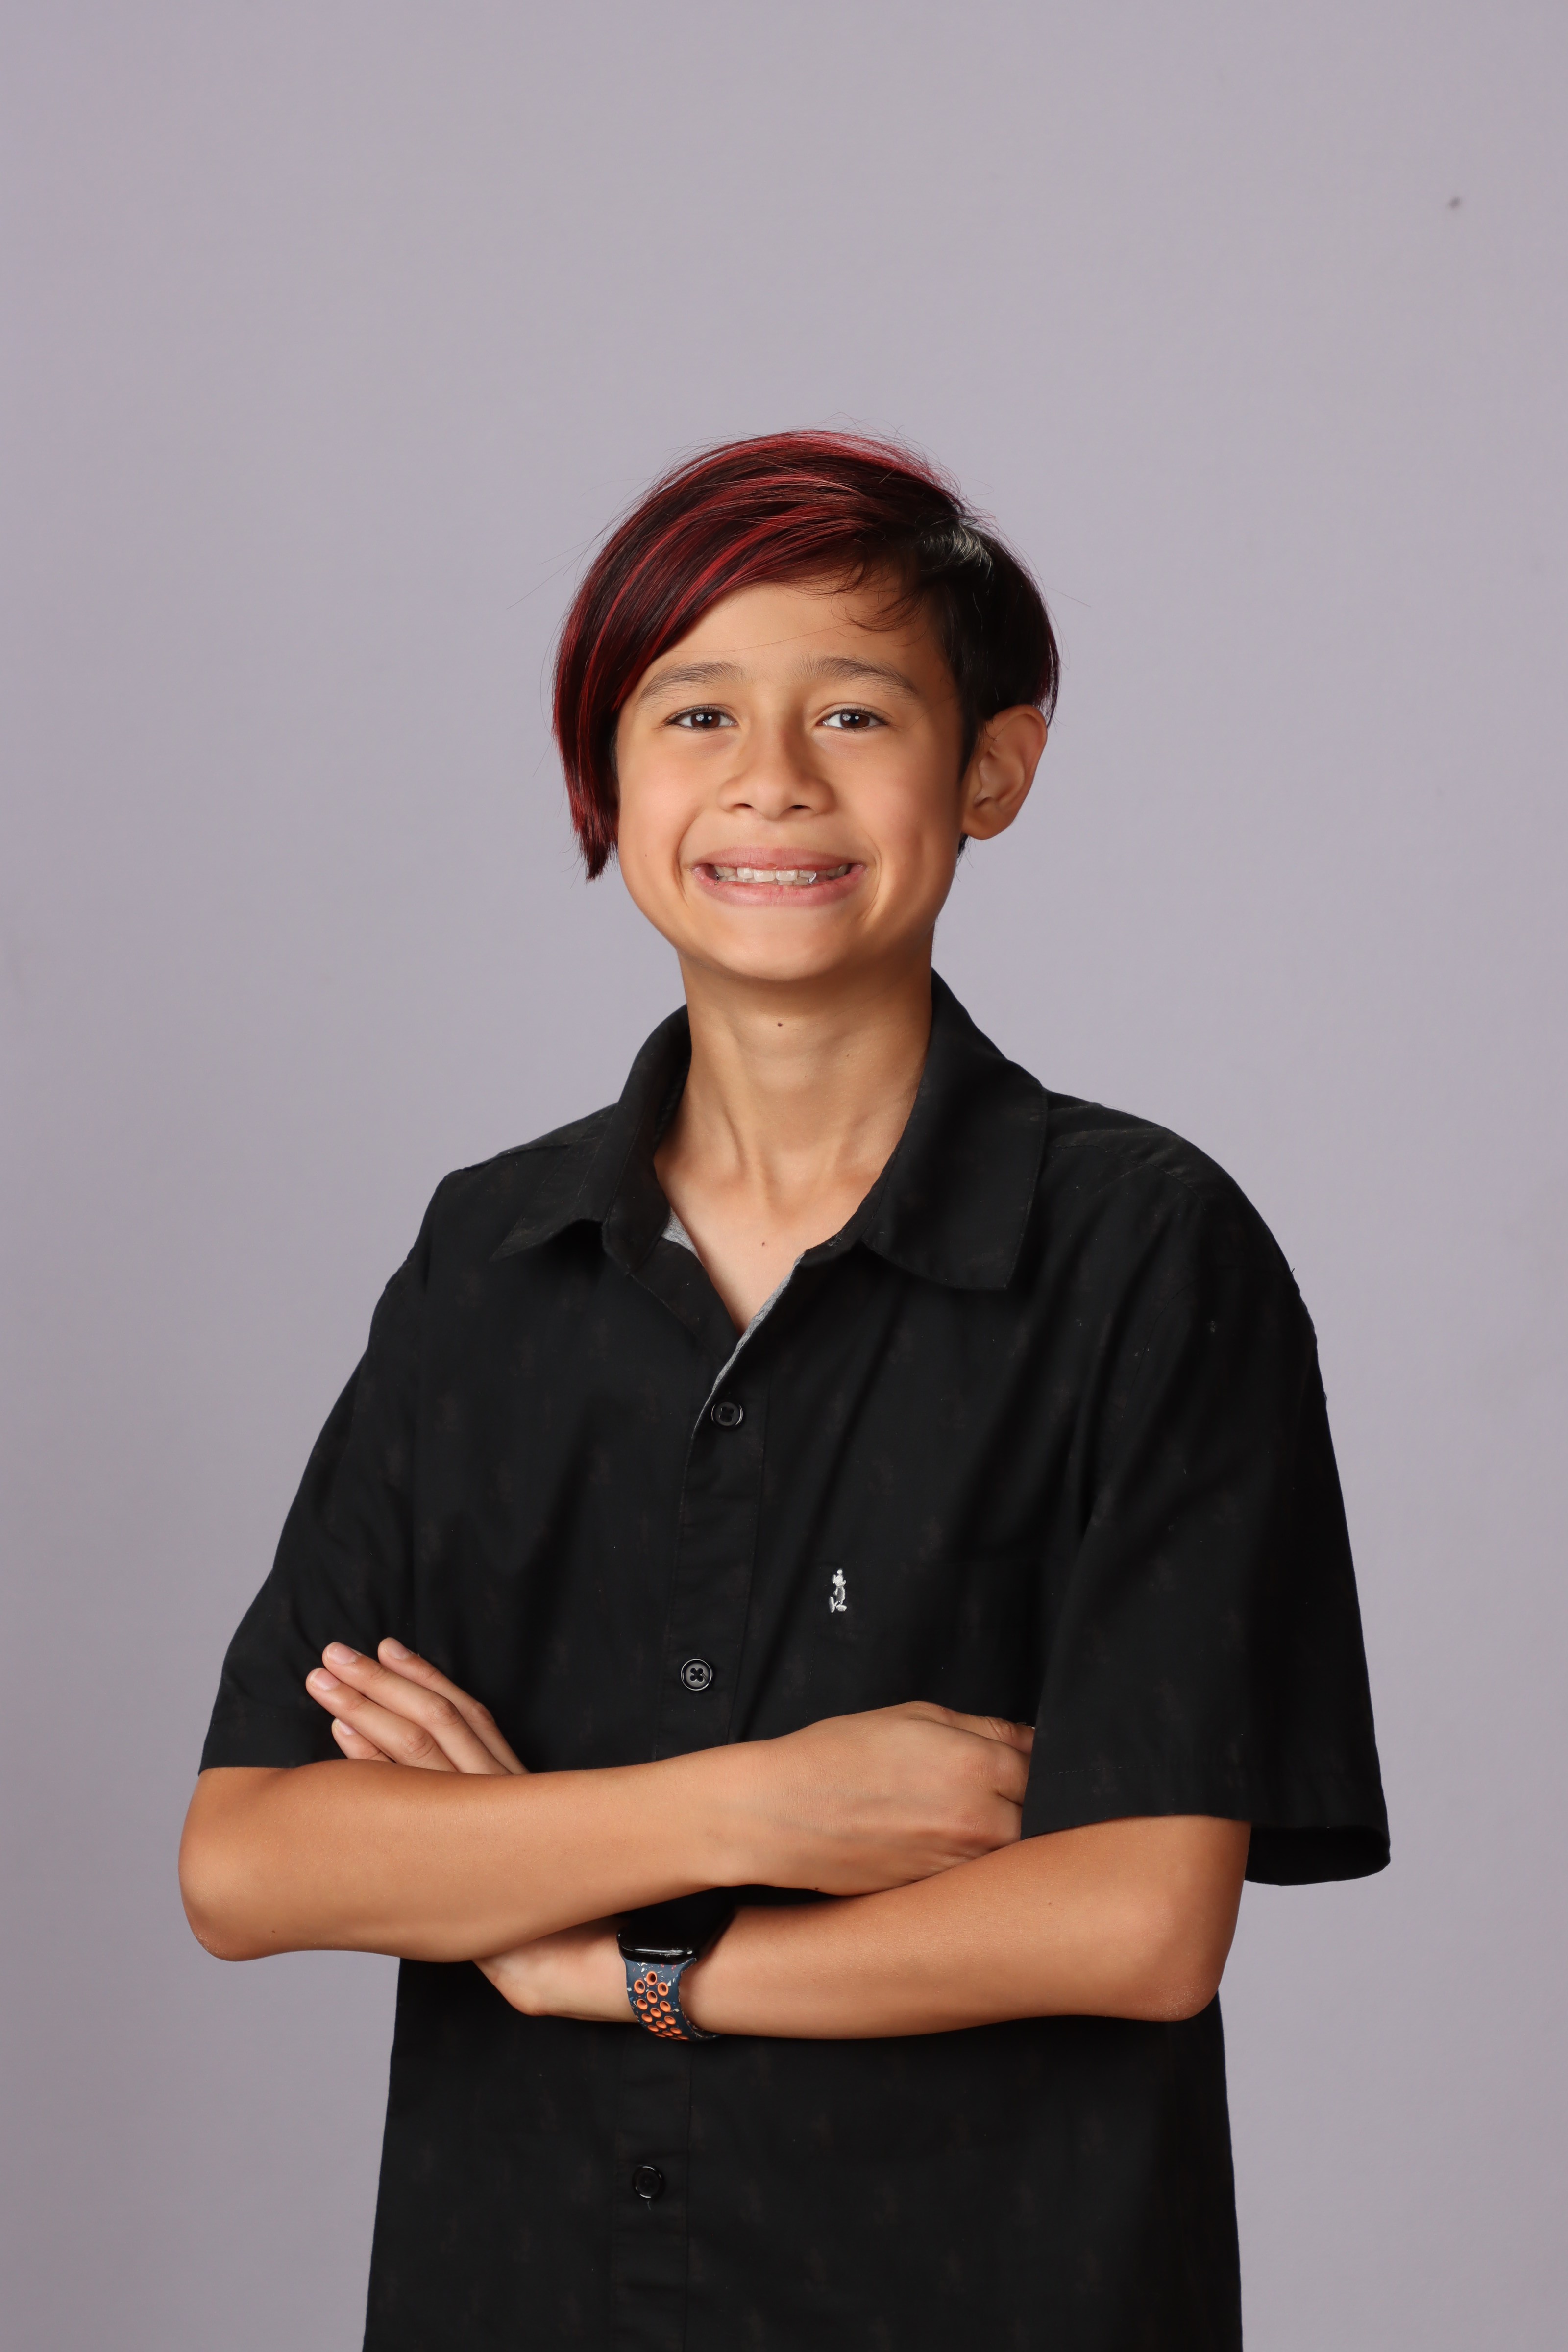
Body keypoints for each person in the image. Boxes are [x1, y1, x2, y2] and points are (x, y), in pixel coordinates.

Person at [180, 432, 1388, 2352]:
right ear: (604, 773)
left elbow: (1138, 1920)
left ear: (992, 767)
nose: (770, 781)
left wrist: (607, 1965)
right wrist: (763, 1807)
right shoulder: (487, 1261)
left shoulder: (1144, 1253)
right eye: (694, 714)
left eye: (853, 711)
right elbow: (253, 1857)